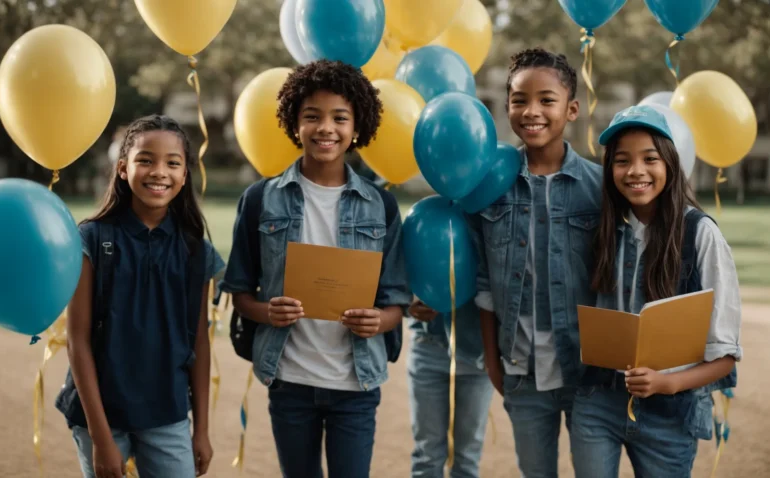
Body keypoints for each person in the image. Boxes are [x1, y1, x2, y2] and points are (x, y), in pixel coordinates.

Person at [218, 59, 411, 478]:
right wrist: (267, 312)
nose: (326, 128)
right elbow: (240, 293)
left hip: (355, 386)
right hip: (290, 380)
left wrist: (377, 321)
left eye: (339, 118)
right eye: (313, 117)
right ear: (294, 123)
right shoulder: (260, 200)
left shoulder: (382, 206)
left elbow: (397, 302)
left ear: (357, 125)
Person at [570, 105, 742, 478]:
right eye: (622, 161)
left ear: (670, 164)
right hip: (597, 402)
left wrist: (667, 383)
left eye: (650, 158)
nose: (635, 171)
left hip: (670, 416)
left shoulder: (701, 236)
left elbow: (726, 355)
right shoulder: (601, 230)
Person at [55, 115, 223, 478]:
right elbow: (77, 341)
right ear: (122, 168)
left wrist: (202, 430)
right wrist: (101, 439)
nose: (158, 171)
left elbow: (199, 342)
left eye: (172, 163)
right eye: (145, 159)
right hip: (101, 418)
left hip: (168, 414)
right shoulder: (90, 239)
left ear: (184, 175)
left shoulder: (196, 251)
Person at [467, 47, 602, 477]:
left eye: (547, 100)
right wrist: (493, 359)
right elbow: (485, 282)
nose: (532, 111)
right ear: (506, 107)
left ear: (572, 108)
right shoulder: (491, 186)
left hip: (590, 374)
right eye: (520, 100)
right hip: (521, 371)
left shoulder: (599, 189)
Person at [407, 299, 494, 478]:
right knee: (426, 455)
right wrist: (407, 305)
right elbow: (398, 282)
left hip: (477, 352)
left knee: (467, 456)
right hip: (427, 343)